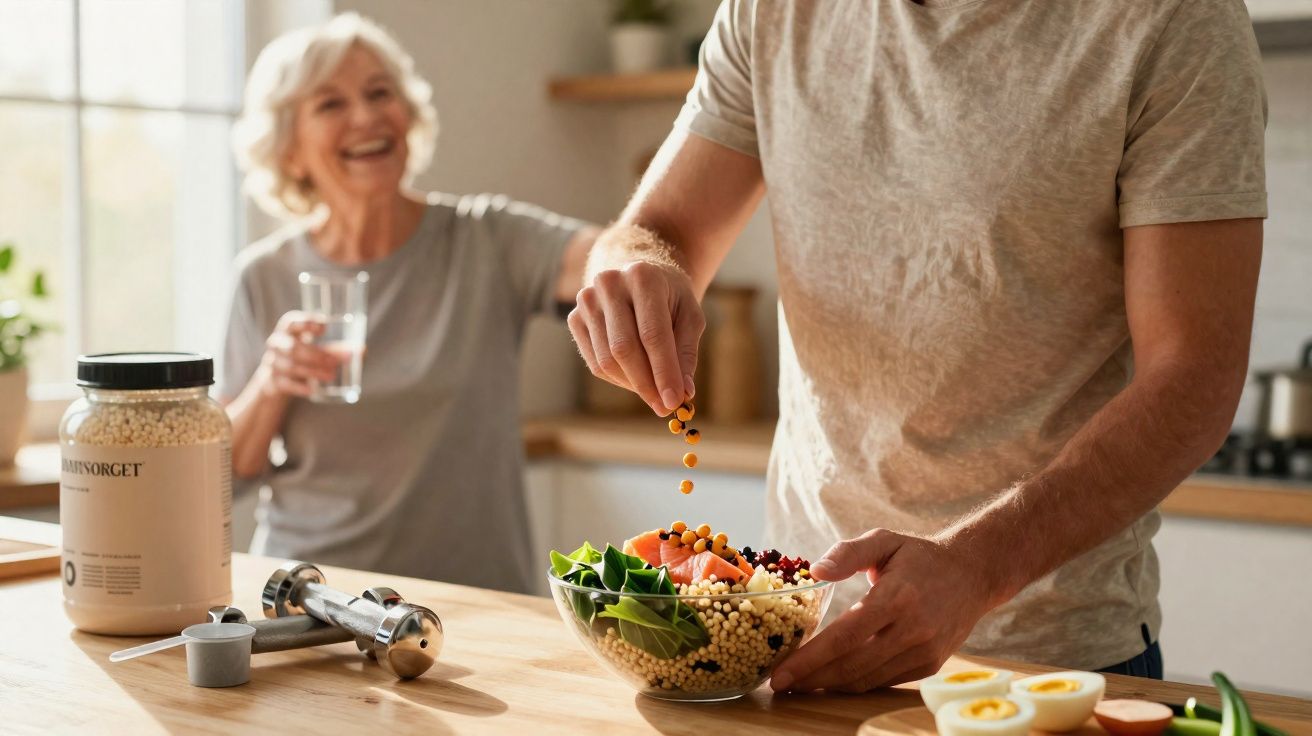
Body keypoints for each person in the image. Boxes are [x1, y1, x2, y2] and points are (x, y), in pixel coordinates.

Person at [567, 0, 1266, 690]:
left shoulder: (1178, 20)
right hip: (797, 638)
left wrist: (977, 567)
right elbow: (656, 230)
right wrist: (633, 267)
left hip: (1046, 659)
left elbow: (1195, 376)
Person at [222, 13, 596, 593]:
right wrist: (270, 384)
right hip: (314, 600)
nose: (366, 116)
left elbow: (609, 260)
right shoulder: (263, 276)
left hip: (474, 599)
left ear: (408, 115)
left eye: (379, 93)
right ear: (290, 151)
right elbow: (223, 478)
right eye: (331, 104)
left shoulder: (487, 240)